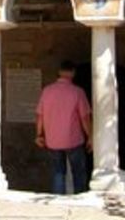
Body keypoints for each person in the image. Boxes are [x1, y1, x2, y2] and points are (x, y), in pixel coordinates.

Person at [35, 60, 93, 194]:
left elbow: (39, 115)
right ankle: (80, 197)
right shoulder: (78, 92)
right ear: (73, 73)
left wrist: (39, 135)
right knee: (78, 171)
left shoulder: (47, 91)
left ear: (59, 72)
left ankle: (58, 199)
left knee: (58, 172)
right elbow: (85, 117)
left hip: (53, 140)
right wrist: (90, 136)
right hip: (73, 139)